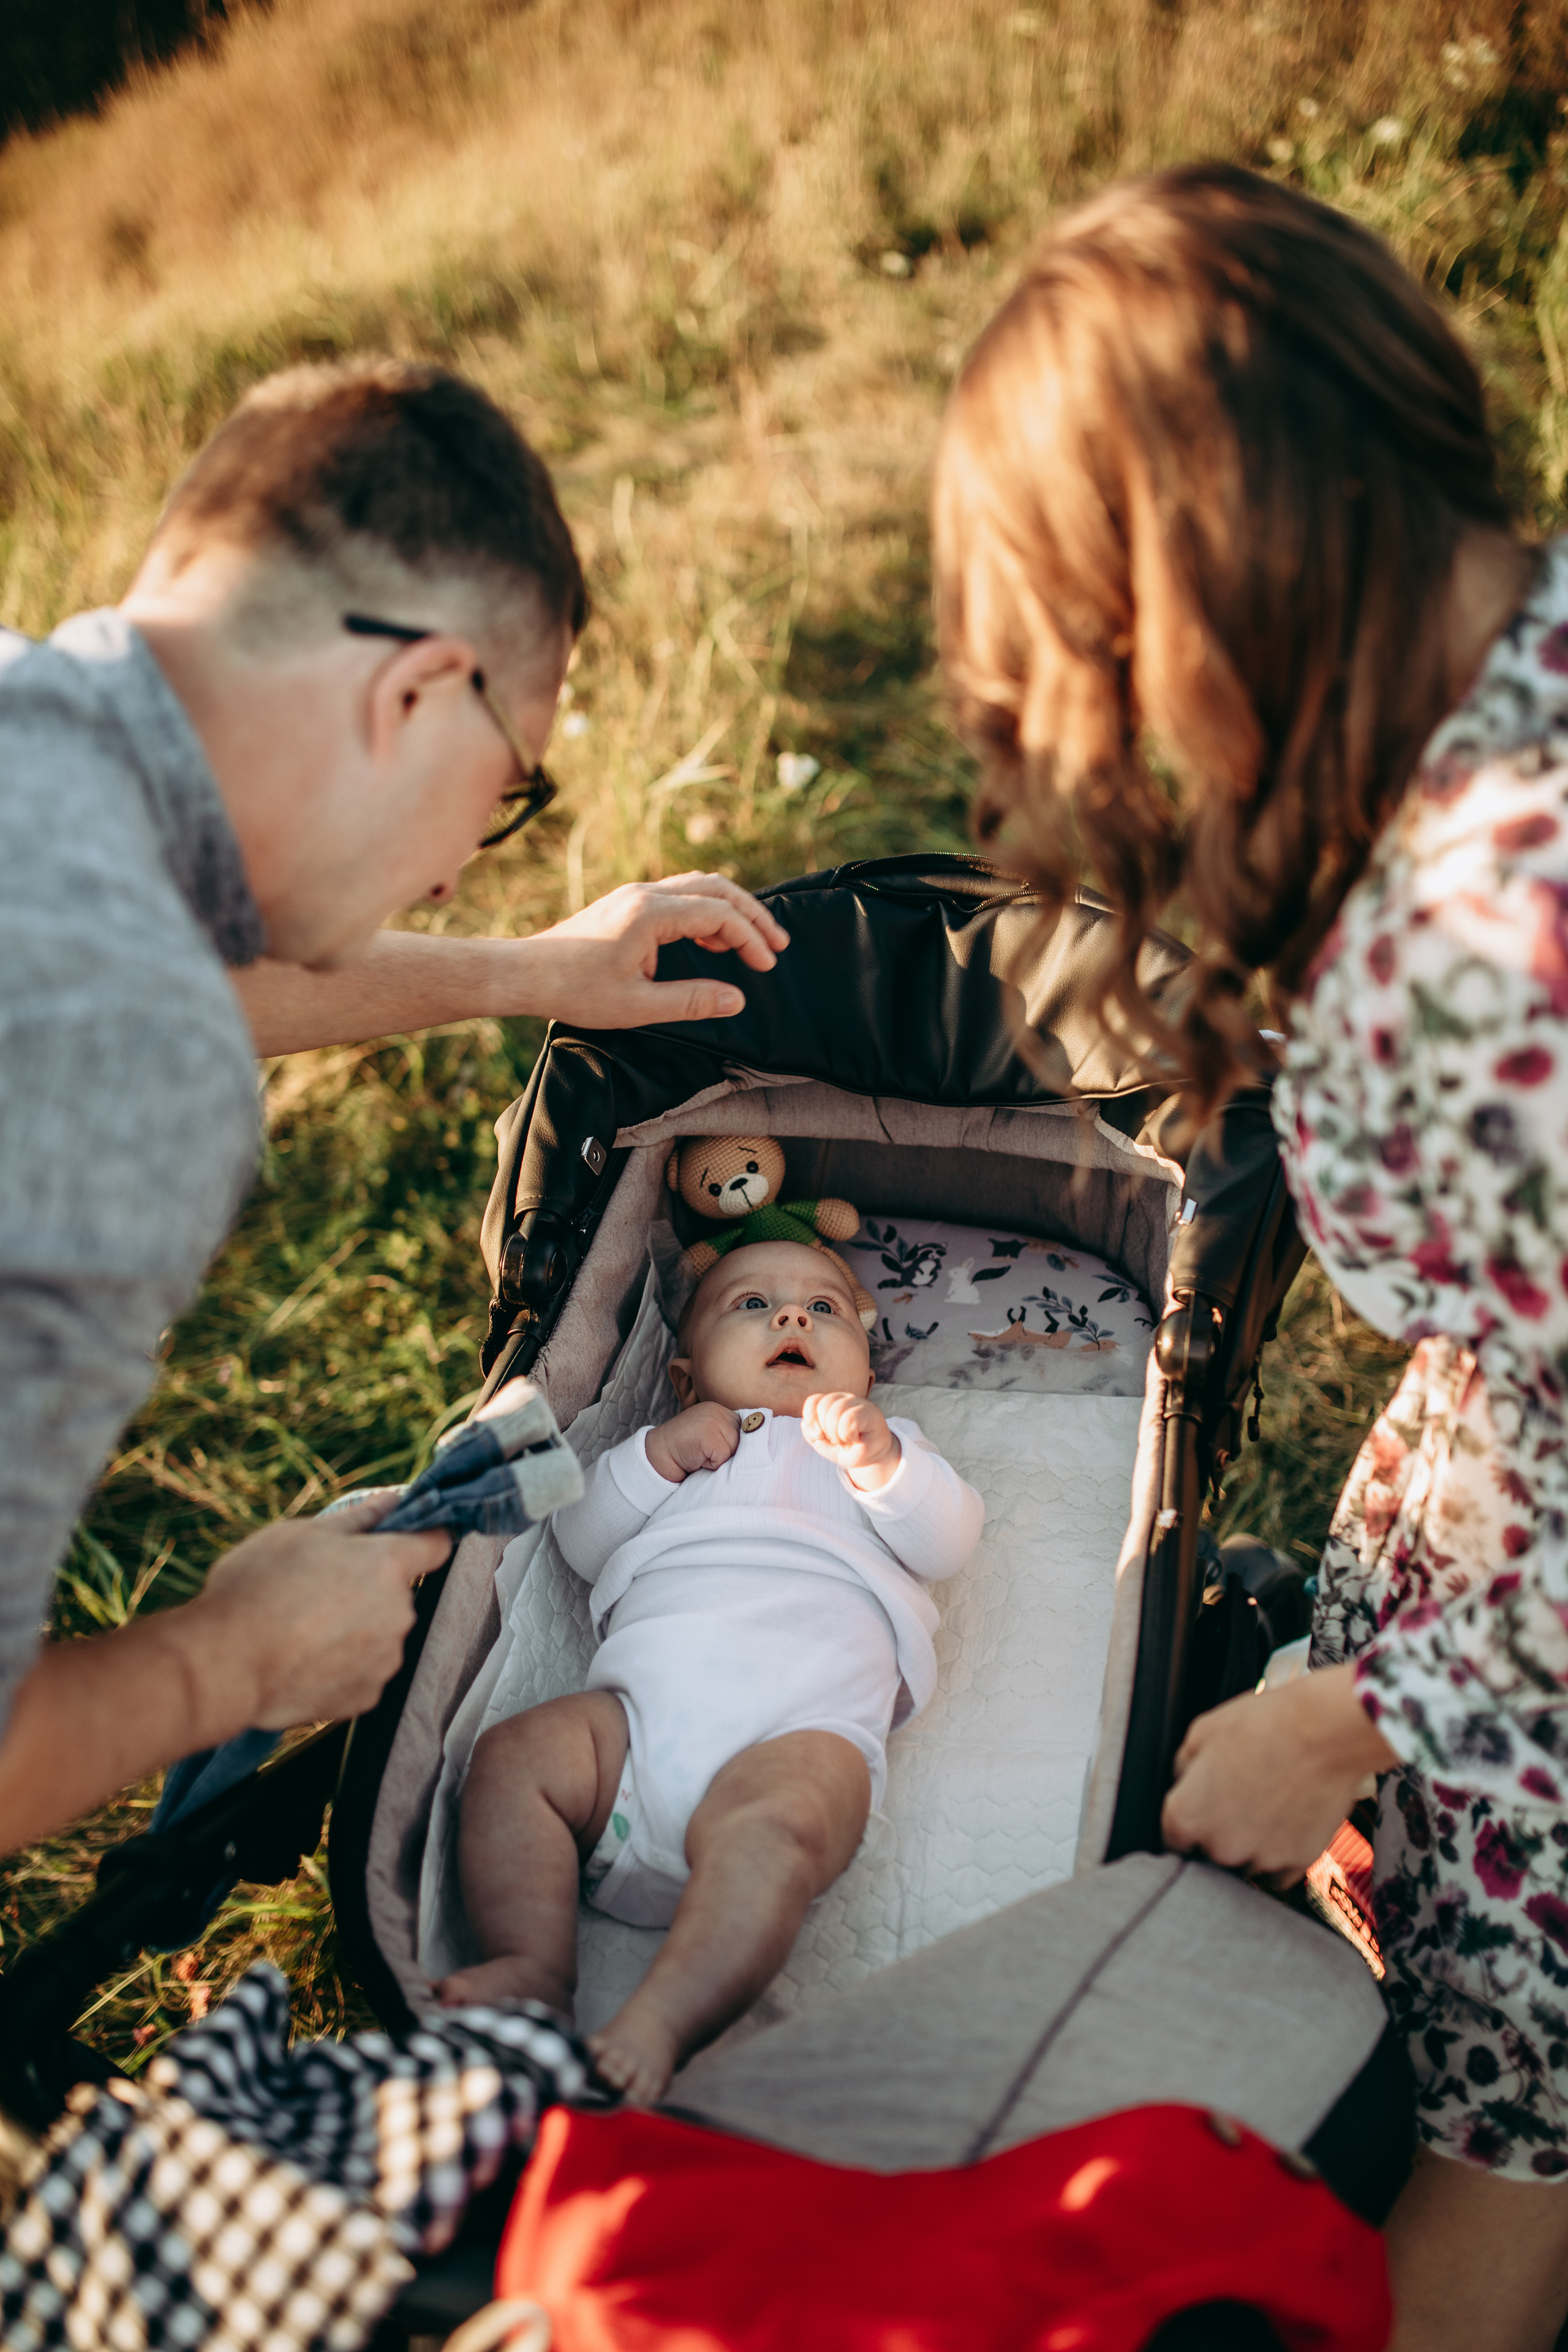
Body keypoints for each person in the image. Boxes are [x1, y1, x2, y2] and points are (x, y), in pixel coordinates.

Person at [932, 161, 1568, 2352]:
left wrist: (1353, 1720)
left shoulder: (1490, 946)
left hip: (1520, 1709)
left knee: (1503, 2165)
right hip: (1483, 1588)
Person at [0, 355, 789, 1874]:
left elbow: (172, 952)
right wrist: (234, 1660)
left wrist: (534, 969)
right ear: (416, 690)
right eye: (507, 791)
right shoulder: (126, 1050)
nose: (449, 870)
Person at [436, 1238, 984, 2102]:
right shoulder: (672, 1452)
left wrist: (882, 1462)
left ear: (870, 1374)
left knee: (780, 1832)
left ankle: (662, 2019)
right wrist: (657, 1456)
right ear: (686, 1379)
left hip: (799, 1734)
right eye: (752, 1304)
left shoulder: (886, 1452)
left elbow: (948, 1543)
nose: (793, 1315)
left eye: (825, 1308)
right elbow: (581, 1542)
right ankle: (531, 1967)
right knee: (513, 1756)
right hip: (632, 1733)